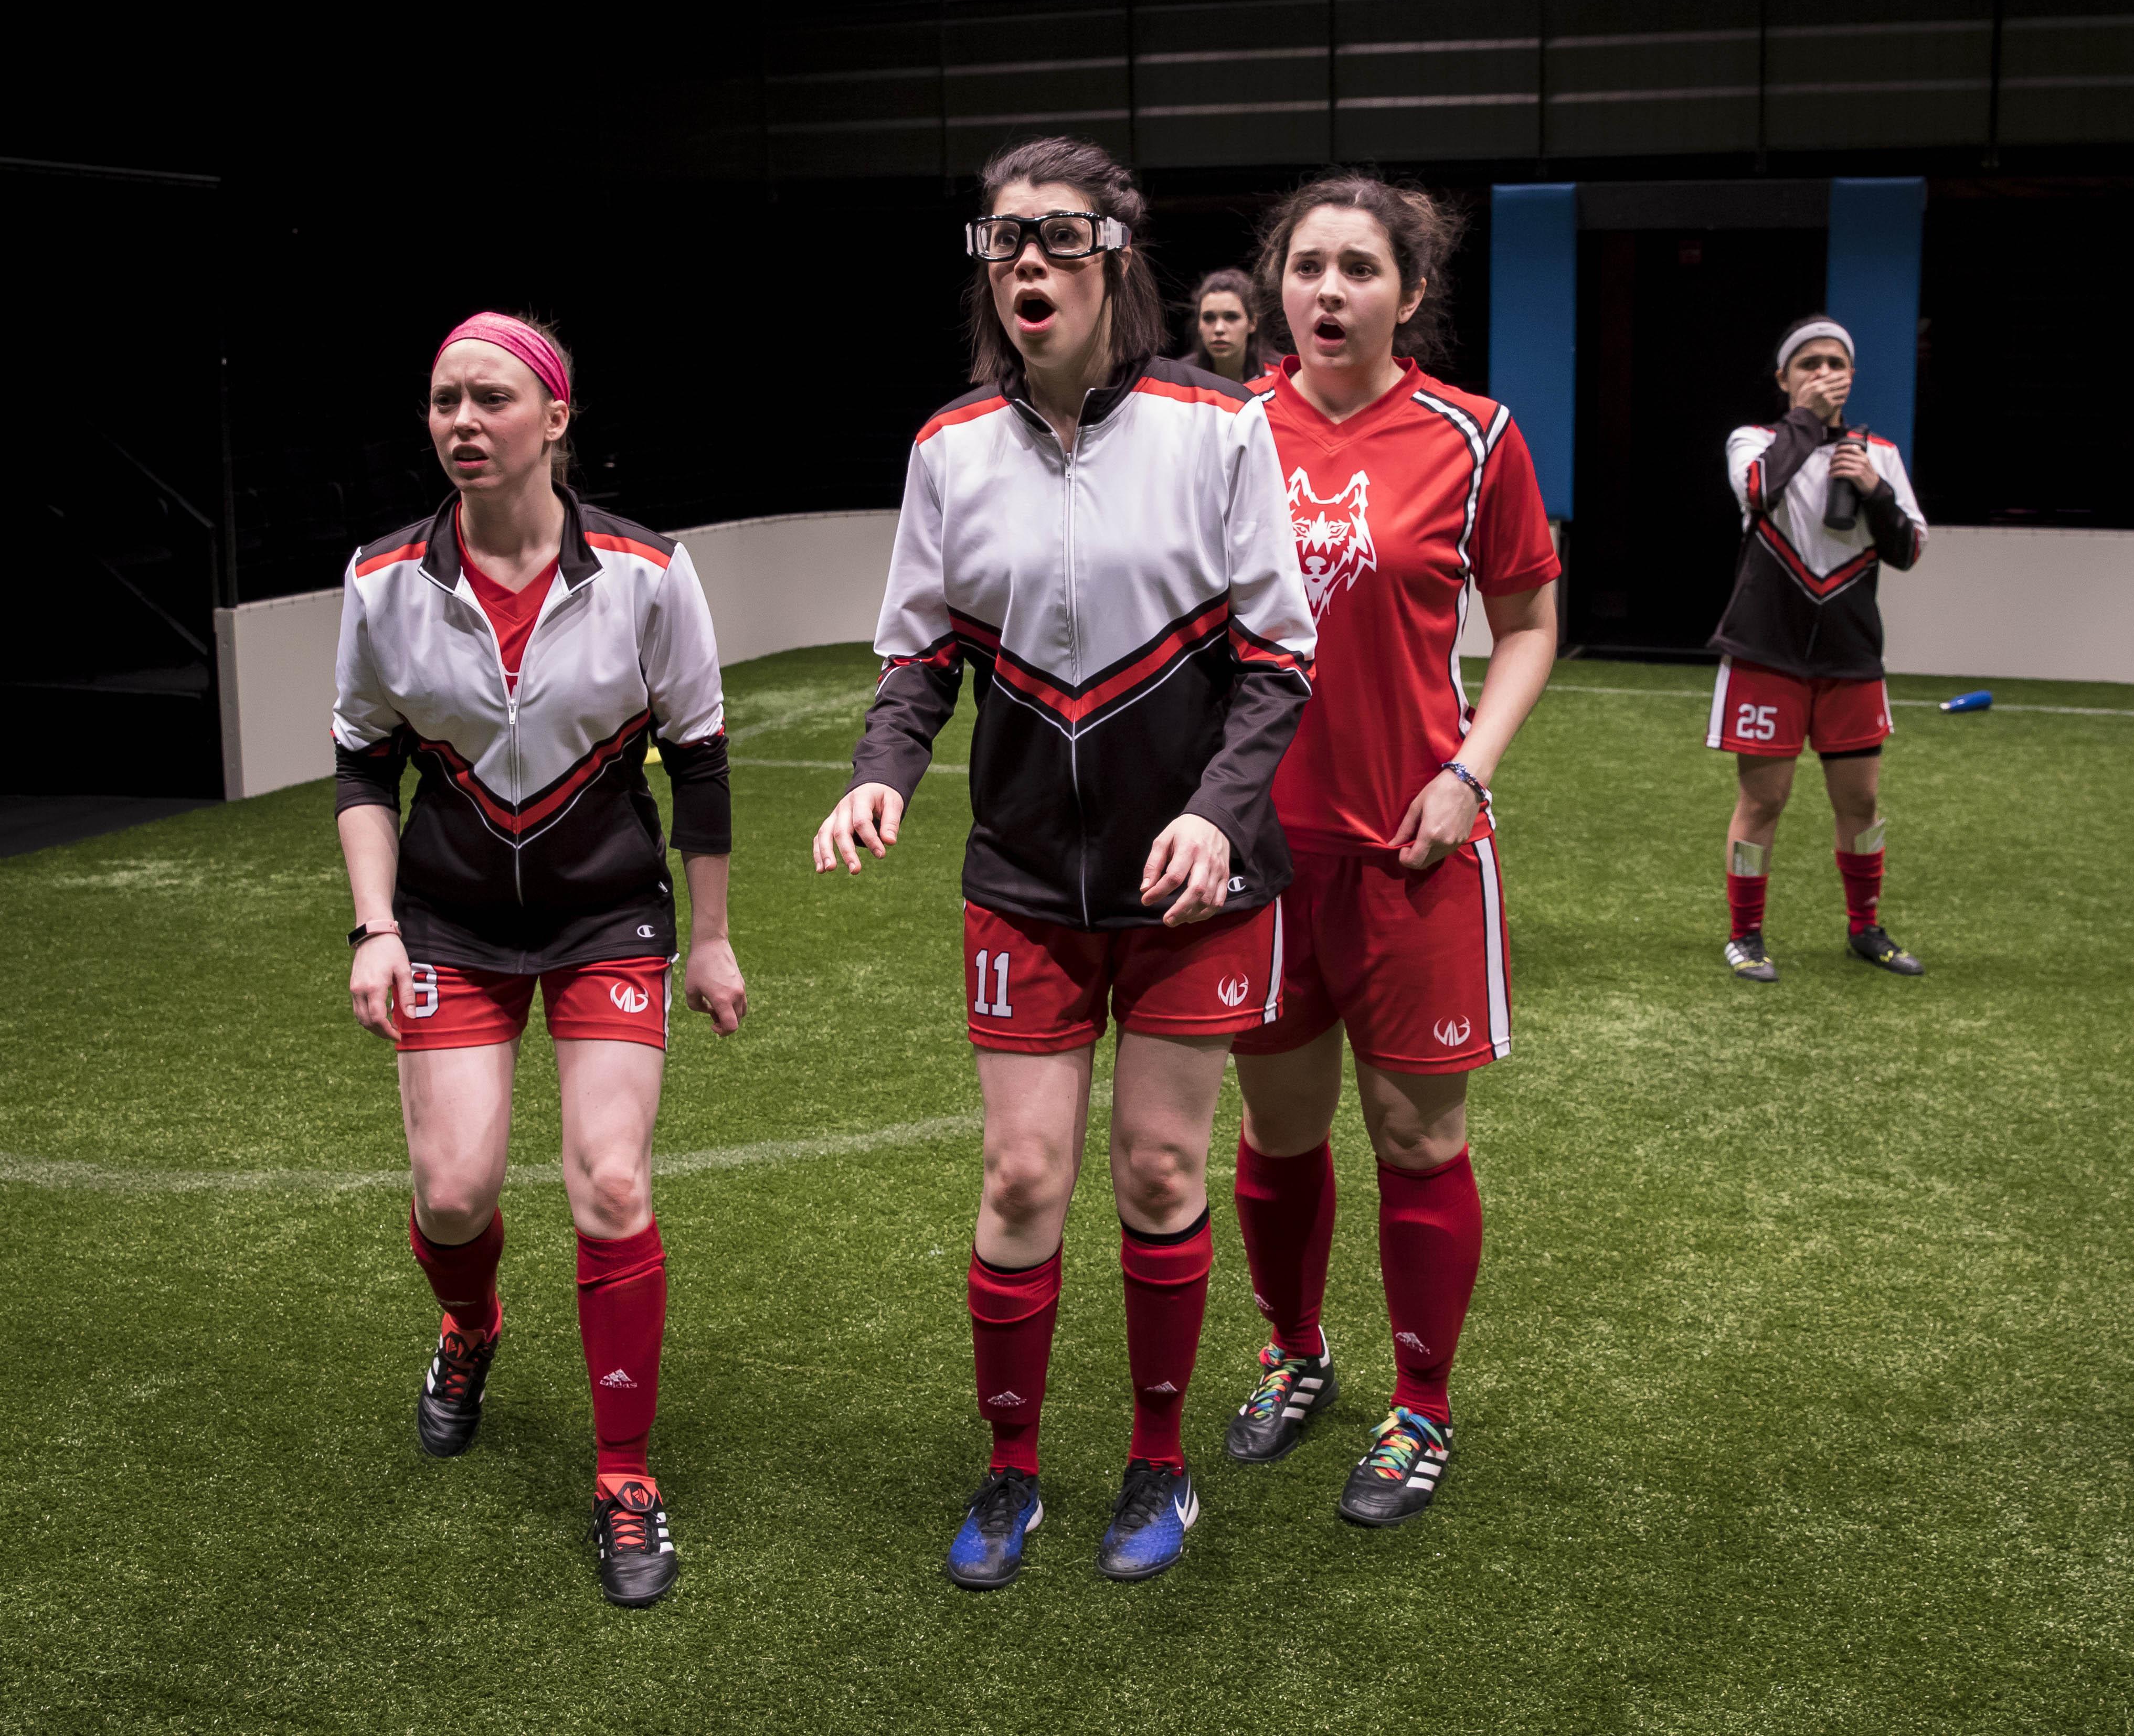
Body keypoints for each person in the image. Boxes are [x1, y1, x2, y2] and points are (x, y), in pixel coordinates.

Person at [812, 137, 1315, 1589]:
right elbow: (921, 658)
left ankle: (1157, 1458)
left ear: (1117, 259)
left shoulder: (1219, 428)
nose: (1027, 259)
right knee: (1024, 1172)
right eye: (1003, 240)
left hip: (1190, 881)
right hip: (1024, 878)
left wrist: (1218, 812)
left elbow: (1279, 659)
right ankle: (1013, 1464)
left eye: (1057, 236)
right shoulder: (946, 449)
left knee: (1159, 1165)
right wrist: (876, 776)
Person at [334, 310, 746, 1610]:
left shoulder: (646, 571)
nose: (463, 421)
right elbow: (363, 757)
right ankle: (471, 1325)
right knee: (455, 1193)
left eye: (493, 398)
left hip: (605, 916)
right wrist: (376, 925)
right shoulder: (382, 579)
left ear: (555, 419)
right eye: (446, 399)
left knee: (610, 1183)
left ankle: (624, 1474)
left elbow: (704, 759)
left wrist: (715, 936)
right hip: (449, 921)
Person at [1217, 172, 1560, 1528]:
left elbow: (1531, 621)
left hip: (1412, 849)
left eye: (1360, 268)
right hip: (1259, 857)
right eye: (1307, 265)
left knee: (1417, 1132)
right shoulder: (1226, 433)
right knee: (1277, 1125)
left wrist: (1470, 772)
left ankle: (1421, 1403)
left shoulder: (1473, 438)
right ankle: (1294, 1353)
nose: (1327, 291)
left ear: (1409, 295)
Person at [1710, 315, 1927, 983]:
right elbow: (1755, 491)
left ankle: (1865, 926)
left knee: (1859, 802)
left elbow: (1910, 547)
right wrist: (1806, 423)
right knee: (1764, 800)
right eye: (1809, 365)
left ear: (1853, 374)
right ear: (1784, 380)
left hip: (1851, 659)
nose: (1825, 373)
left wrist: (1874, 487)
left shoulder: (1877, 453)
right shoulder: (1756, 440)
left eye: (1836, 363)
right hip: (1766, 655)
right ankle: (1745, 934)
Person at [1179, 266, 1265, 384]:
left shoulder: (1281, 376)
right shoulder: (1180, 378)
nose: (1219, 329)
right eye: (1209, 318)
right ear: (1199, 324)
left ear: (1253, 323)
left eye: (1231, 317)